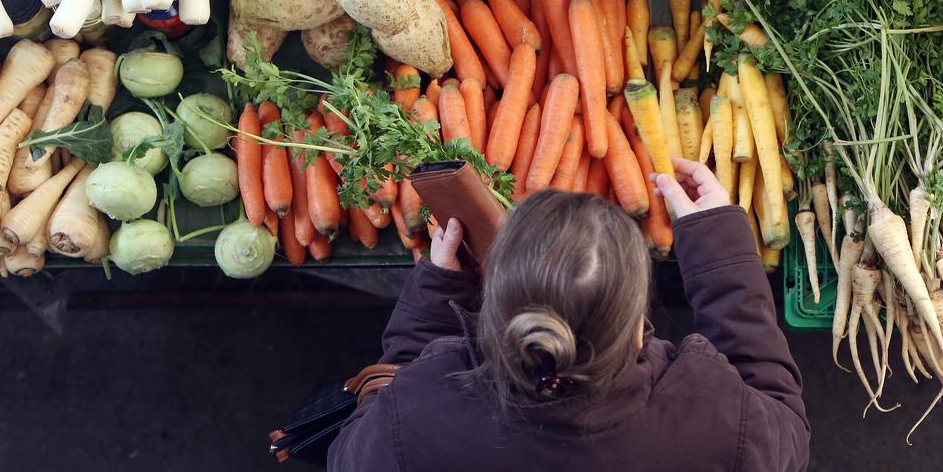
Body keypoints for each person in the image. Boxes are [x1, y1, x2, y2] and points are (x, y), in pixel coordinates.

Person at [328, 158, 810, 471]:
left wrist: (427, 318)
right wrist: (718, 252)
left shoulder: (414, 417)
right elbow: (784, 426)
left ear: (494, 320)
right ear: (637, 333)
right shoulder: (719, 419)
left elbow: (350, 455)